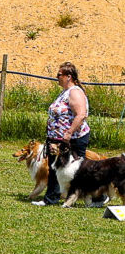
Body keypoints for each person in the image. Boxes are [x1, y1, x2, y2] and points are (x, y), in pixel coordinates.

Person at [34, 61, 90, 205]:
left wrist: (69, 132)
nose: (57, 77)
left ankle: (97, 196)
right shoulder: (65, 92)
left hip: (72, 139)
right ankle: (51, 199)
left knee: (77, 172)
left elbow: (81, 114)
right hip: (57, 140)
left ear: (68, 76)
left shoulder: (75, 92)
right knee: (55, 169)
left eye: (59, 74)